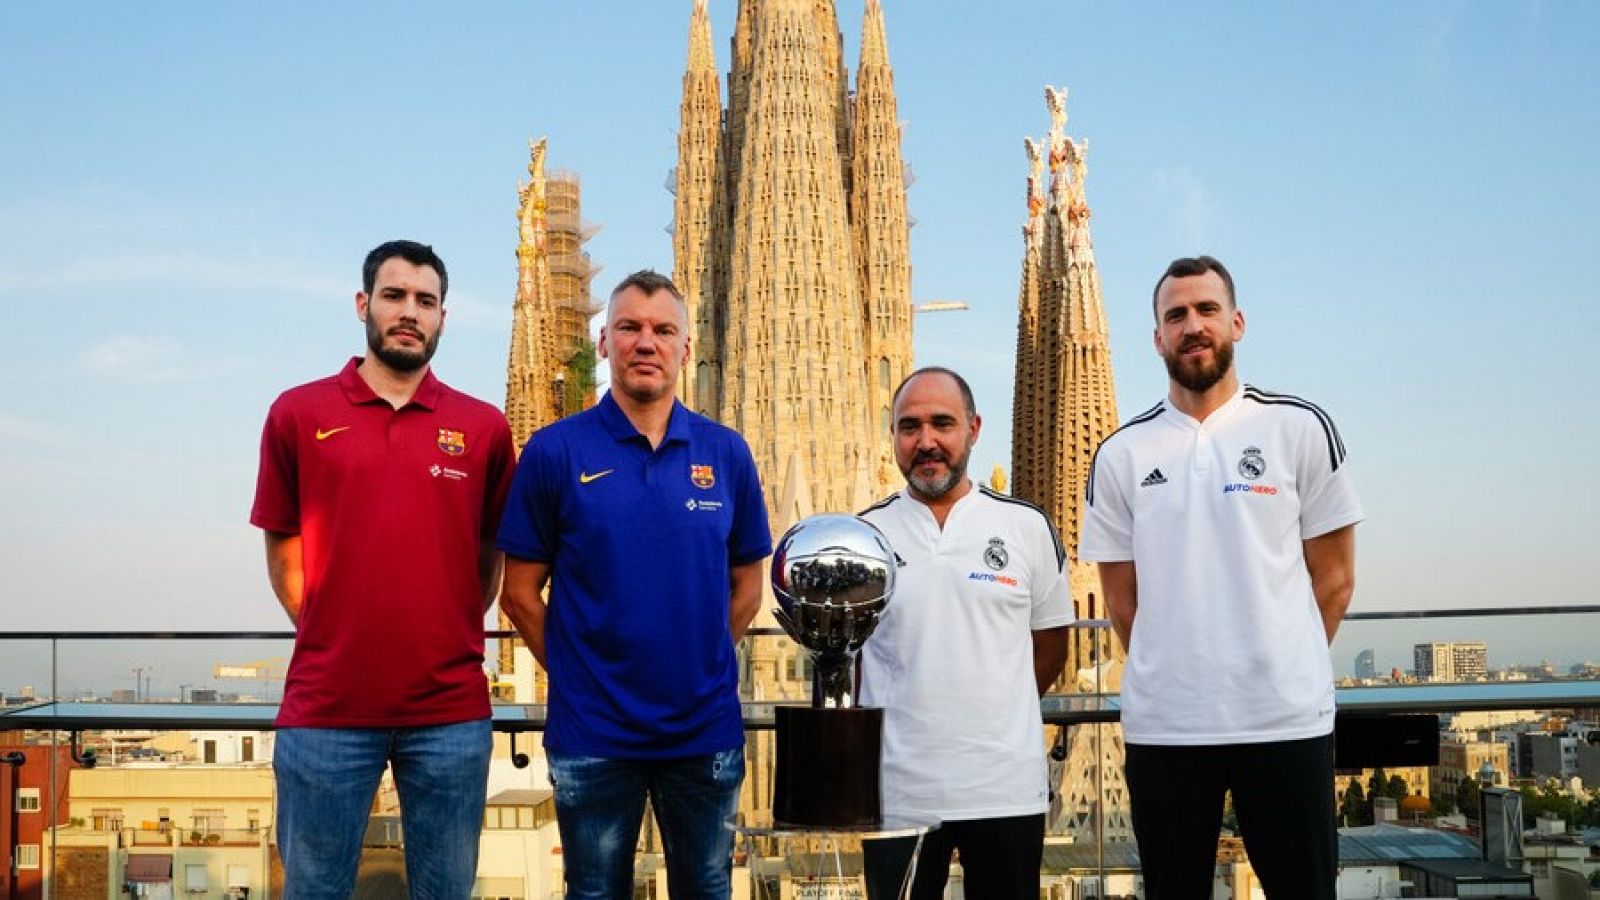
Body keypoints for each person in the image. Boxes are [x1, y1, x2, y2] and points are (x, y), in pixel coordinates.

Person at [1080, 256, 1363, 899]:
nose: (1192, 325)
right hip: (1167, 729)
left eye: (1207, 310)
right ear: (1157, 337)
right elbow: (1121, 602)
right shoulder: (1122, 455)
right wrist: (1179, 668)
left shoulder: (1298, 427)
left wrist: (1279, 662)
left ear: (1235, 322)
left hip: (1285, 723)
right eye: (1175, 315)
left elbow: (1336, 579)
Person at [250, 239, 517, 898]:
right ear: (364, 304)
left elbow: (490, 556)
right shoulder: (298, 413)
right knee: (313, 890)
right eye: (395, 296)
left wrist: (442, 627)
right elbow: (285, 552)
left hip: (451, 713)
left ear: (443, 318)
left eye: (426, 301)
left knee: (447, 891)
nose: (410, 312)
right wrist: (338, 628)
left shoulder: (482, 427)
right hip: (326, 709)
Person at [497, 270, 771, 899]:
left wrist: (703, 658)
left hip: (703, 731)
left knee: (706, 889)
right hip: (593, 734)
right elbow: (517, 592)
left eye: (661, 330)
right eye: (629, 328)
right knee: (594, 892)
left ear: (684, 347)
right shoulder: (554, 452)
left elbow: (748, 585)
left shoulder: (725, 453)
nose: (645, 342)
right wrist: (575, 671)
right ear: (604, 342)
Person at [859, 366, 1073, 900]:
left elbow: (1051, 644)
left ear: (974, 429)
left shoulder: (1026, 527)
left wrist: (998, 708)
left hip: (1005, 790)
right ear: (894, 437)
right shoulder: (864, 533)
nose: (926, 441)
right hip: (898, 794)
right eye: (910, 427)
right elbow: (851, 657)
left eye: (942, 424)